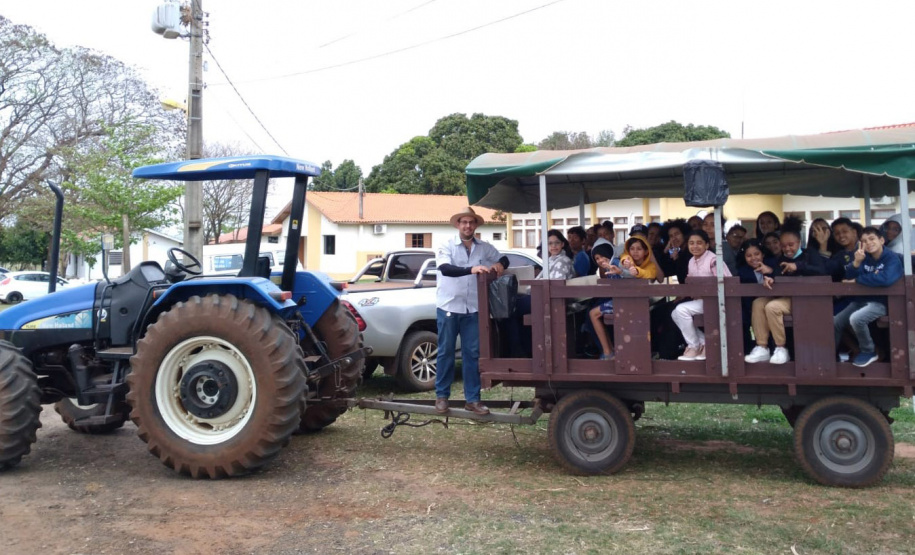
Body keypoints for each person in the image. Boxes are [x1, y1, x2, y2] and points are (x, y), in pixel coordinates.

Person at [434, 207, 509, 416]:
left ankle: (473, 400)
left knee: (472, 354)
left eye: (471, 222)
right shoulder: (446, 245)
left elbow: (505, 259)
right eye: (464, 222)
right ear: (458, 224)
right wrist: (472, 269)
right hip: (449, 306)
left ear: (476, 225)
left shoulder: (484, 248)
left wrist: (498, 264)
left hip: (473, 307)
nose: (467, 226)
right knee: (446, 351)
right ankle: (441, 396)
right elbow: (445, 269)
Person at [745, 223, 825, 364]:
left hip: (803, 299)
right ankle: (762, 347)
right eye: (784, 245)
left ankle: (781, 348)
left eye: (791, 245)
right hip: (782, 296)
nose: (787, 249)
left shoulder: (809, 254)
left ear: (799, 243)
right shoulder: (781, 259)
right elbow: (776, 274)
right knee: (758, 302)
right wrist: (770, 277)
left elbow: (822, 270)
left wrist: (798, 266)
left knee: (772, 307)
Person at [835, 226, 903, 367]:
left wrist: (859, 280)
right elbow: (849, 278)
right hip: (862, 300)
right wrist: (857, 262)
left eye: (872, 239)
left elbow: (886, 279)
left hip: (882, 302)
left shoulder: (892, 258)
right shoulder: (863, 256)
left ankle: (868, 351)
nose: (868, 243)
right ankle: (831, 356)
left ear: (882, 240)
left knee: (856, 318)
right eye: (864, 241)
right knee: (836, 322)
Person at [673, 230, 732, 361]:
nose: (695, 246)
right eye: (691, 243)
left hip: (718, 301)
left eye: (699, 243)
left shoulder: (714, 260)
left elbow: (726, 282)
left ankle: (693, 346)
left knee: (681, 310)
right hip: (702, 301)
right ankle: (704, 342)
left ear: (706, 245)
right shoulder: (691, 261)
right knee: (675, 314)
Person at [737, 239, 778, 353]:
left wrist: (769, 271)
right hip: (750, 309)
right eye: (749, 255)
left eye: (757, 254)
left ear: (763, 254)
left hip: (773, 306)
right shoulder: (742, 271)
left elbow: (781, 277)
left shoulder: (773, 264)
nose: (754, 258)